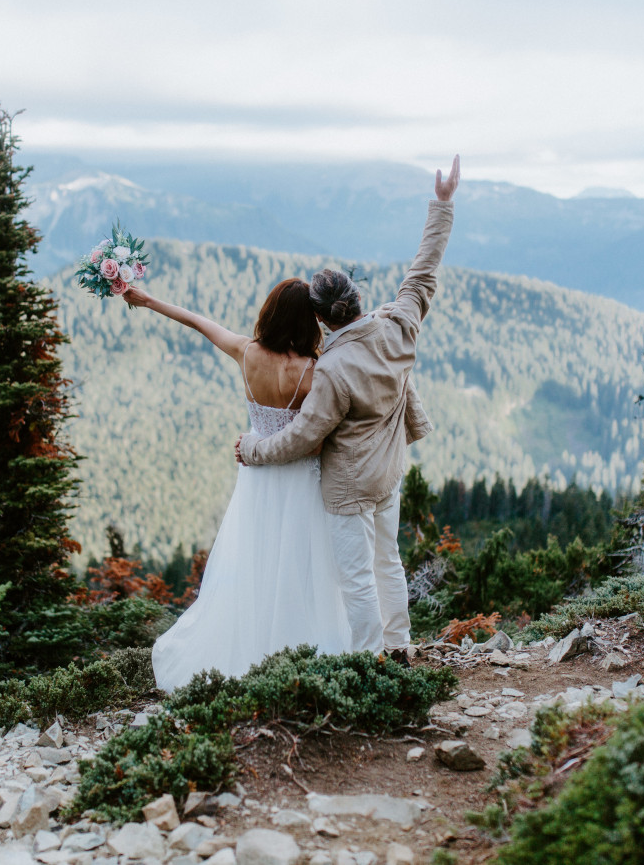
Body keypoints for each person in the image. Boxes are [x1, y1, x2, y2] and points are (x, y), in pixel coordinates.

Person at [236, 155, 460, 663]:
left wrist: (252, 448)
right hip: (389, 474)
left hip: (348, 489)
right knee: (389, 563)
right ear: (358, 299)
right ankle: (398, 648)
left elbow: (300, 440)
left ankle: (367, 666)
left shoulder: (332, 371)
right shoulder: (398, 325)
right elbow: (423, 271)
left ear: (319, 318)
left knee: (356, 578)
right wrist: (442, 205)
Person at [121, 278, 353, 691]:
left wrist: (146, 298)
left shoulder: (246, 353)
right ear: (309, 321)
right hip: (300, 482)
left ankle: (249, 653)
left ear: (270, 313)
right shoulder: (313, 370)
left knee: (253, 565)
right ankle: (302, 656)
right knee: (301, 568)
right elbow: (316, 441)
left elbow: (195, 321)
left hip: (256, 481)